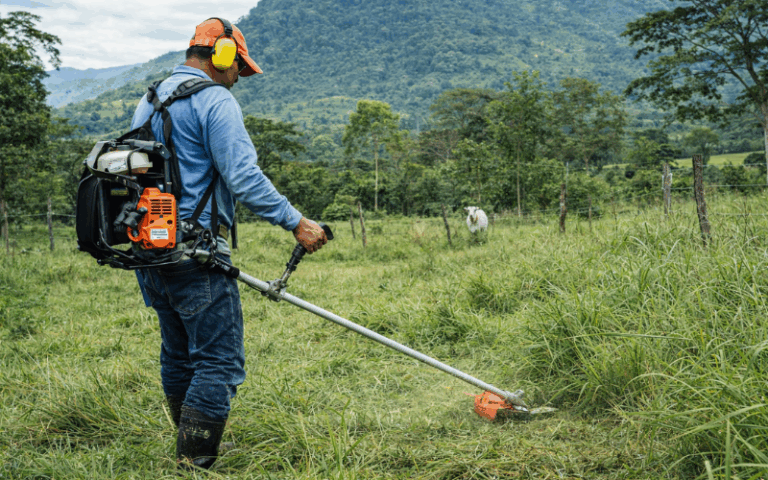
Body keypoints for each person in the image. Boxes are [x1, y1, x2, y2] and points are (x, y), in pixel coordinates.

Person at [130, 17, 327, 471]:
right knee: (218, 361)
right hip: (197, 252)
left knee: (178, 354)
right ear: (221, 56)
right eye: (239, 66)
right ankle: (195, 461)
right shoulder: (214, 99)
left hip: (151, 248)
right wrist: (296, 222)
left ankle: (187, 451)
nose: (240, 77)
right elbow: (242, 176)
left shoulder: (150, 99)